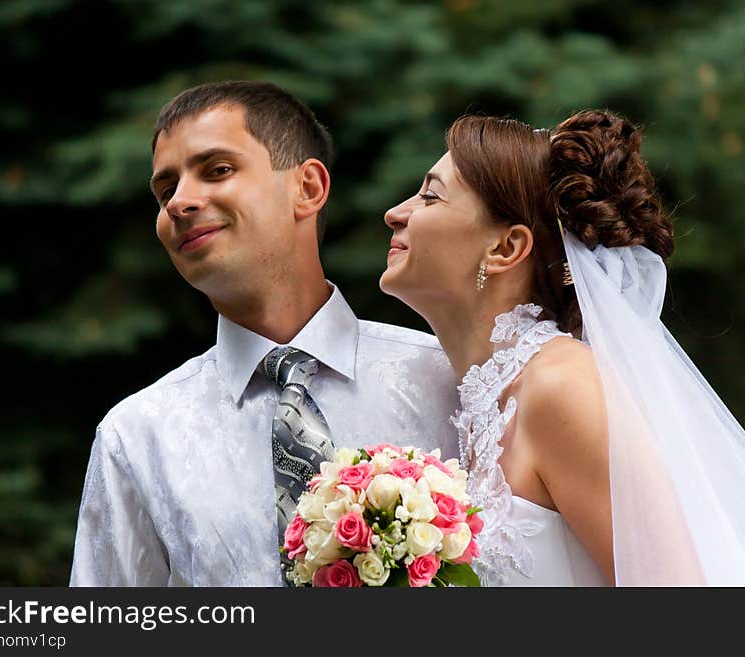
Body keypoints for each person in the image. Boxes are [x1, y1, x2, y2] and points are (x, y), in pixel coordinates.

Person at [380, 109, 745, 586]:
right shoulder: (471, 403)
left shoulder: (560, 386)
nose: (395, 213)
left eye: (430, 196)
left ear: (505, 249)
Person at [68, 80, 460, 586]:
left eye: (218, 170)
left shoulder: (446, 378)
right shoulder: (136, 436)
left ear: (308, 188)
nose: (179, 203)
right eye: (166, 190)